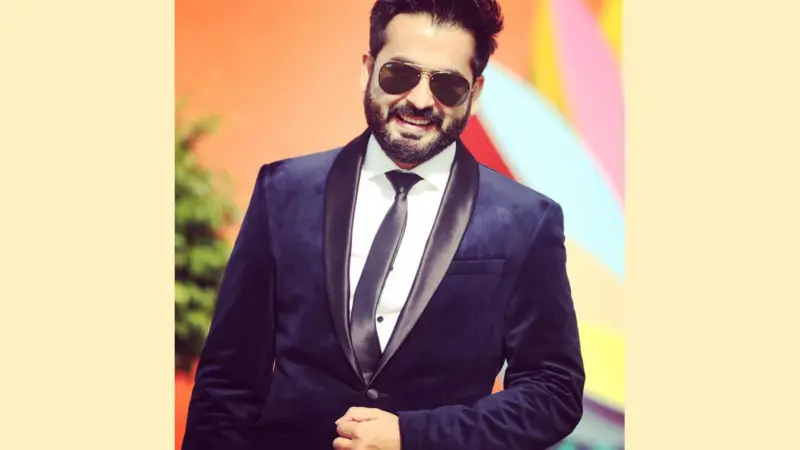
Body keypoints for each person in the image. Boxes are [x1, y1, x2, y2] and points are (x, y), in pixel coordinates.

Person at [181, 0, 585, 449]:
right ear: (368, 70)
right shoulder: (284, 191)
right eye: (400, 74)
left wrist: (414, 437)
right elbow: (228, 379)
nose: (419, 100)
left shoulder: (526, 222)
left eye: (447, 84)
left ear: (475, 94)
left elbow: (553, 393)